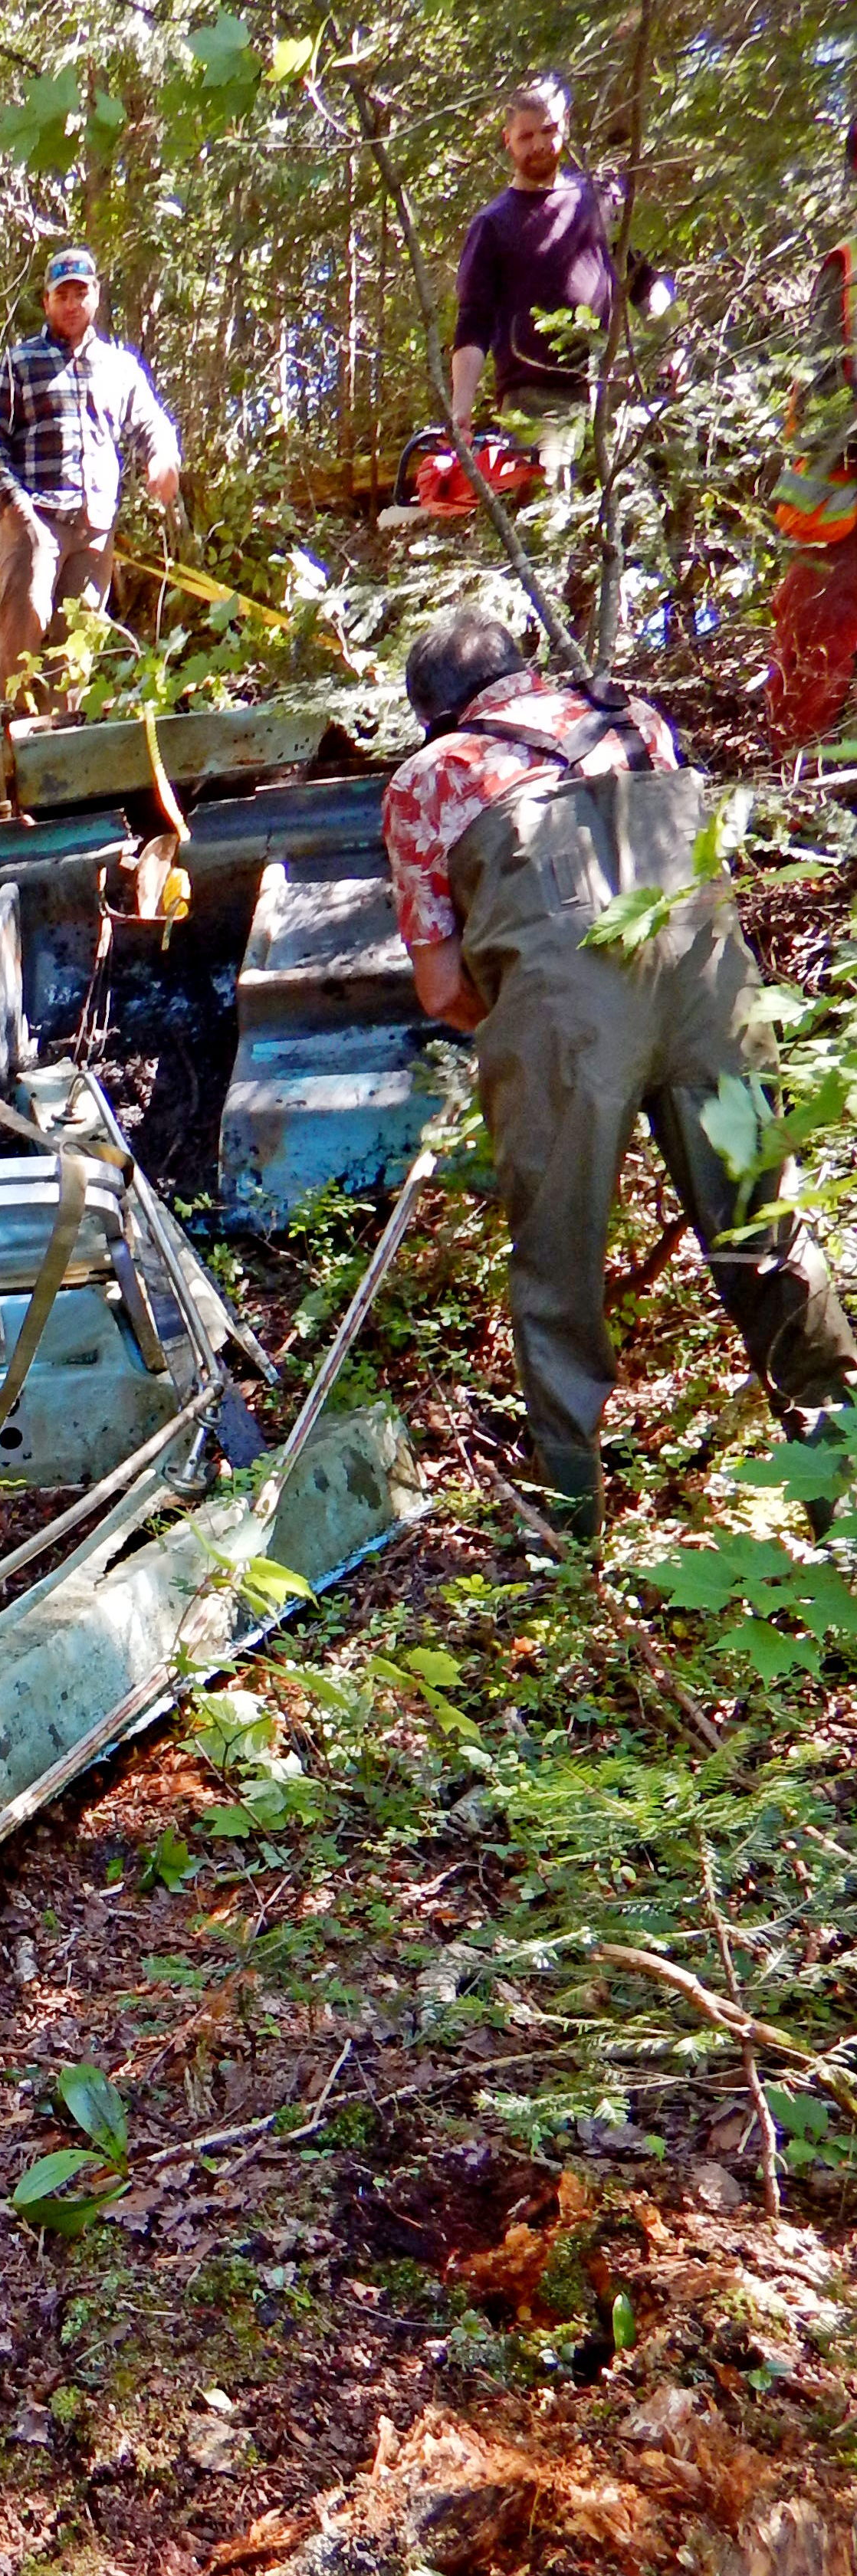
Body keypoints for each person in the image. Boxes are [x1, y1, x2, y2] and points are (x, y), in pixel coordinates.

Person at [379, 603, 857, 1537]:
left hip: (564, 1031)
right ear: (521, 670)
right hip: (713, 999)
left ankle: (570, 1532)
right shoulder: (635, 719)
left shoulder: (429, 778)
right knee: (768, 1229)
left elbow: (439, 990)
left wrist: (526, 1021)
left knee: (558, 1276)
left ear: (433, 713)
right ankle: (841, 1475)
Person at [0, 246, 180, 697]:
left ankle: (61, 745)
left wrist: (162, 456)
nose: (71, 304)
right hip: (33, 520)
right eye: (61, 295)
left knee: (76, 648)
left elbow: (150, 421)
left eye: (80, 294)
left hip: (94, 528)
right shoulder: (18, 363)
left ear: (95, 297)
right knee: (23, 627)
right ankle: (9, 736)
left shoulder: (118, 367)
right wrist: (18, 510)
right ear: (46, 302)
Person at [450, 77, 622, 478]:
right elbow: (473, 321)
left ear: (564, 125)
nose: (539, 145)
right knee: (552, 520)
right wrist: (461, 406)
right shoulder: (493, 225)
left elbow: (635, 271)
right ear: (508, 140)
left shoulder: (597, 200)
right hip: (535, 402)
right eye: (526, 136)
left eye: (548, 131)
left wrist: (670, 340)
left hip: (607, 390)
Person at [772, 117, 857, 753]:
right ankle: (787, 779)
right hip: (844, 500)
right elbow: (821, 379)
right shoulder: (844, 269)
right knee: (817, 632)